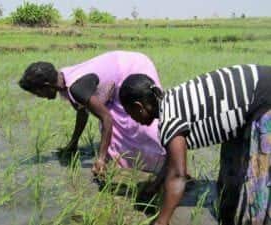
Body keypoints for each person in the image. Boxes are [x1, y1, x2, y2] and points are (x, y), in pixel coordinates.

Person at [119, 64, 271, 225]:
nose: (133, 119)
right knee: (231, 178)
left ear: (139, 107)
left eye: (130, 114)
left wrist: (161, 221)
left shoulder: (170, 120)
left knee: (257, 187)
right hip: (250, 100)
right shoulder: (169, 101)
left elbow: (178, 175)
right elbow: (172, 162)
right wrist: (154, 187)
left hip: (263, 98)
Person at [18, 50, 166, 175]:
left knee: (141, 122)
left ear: (46, 86)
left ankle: (167, 160)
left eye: (38, 93)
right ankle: (138, 161)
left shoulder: (76, 87)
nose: (40, 97)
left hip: (132, 67)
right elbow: (82, 112)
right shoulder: (64, 78)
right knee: (118, 129)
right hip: (120, 68)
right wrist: (73, 143)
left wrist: (100, 158)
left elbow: (106, 118)